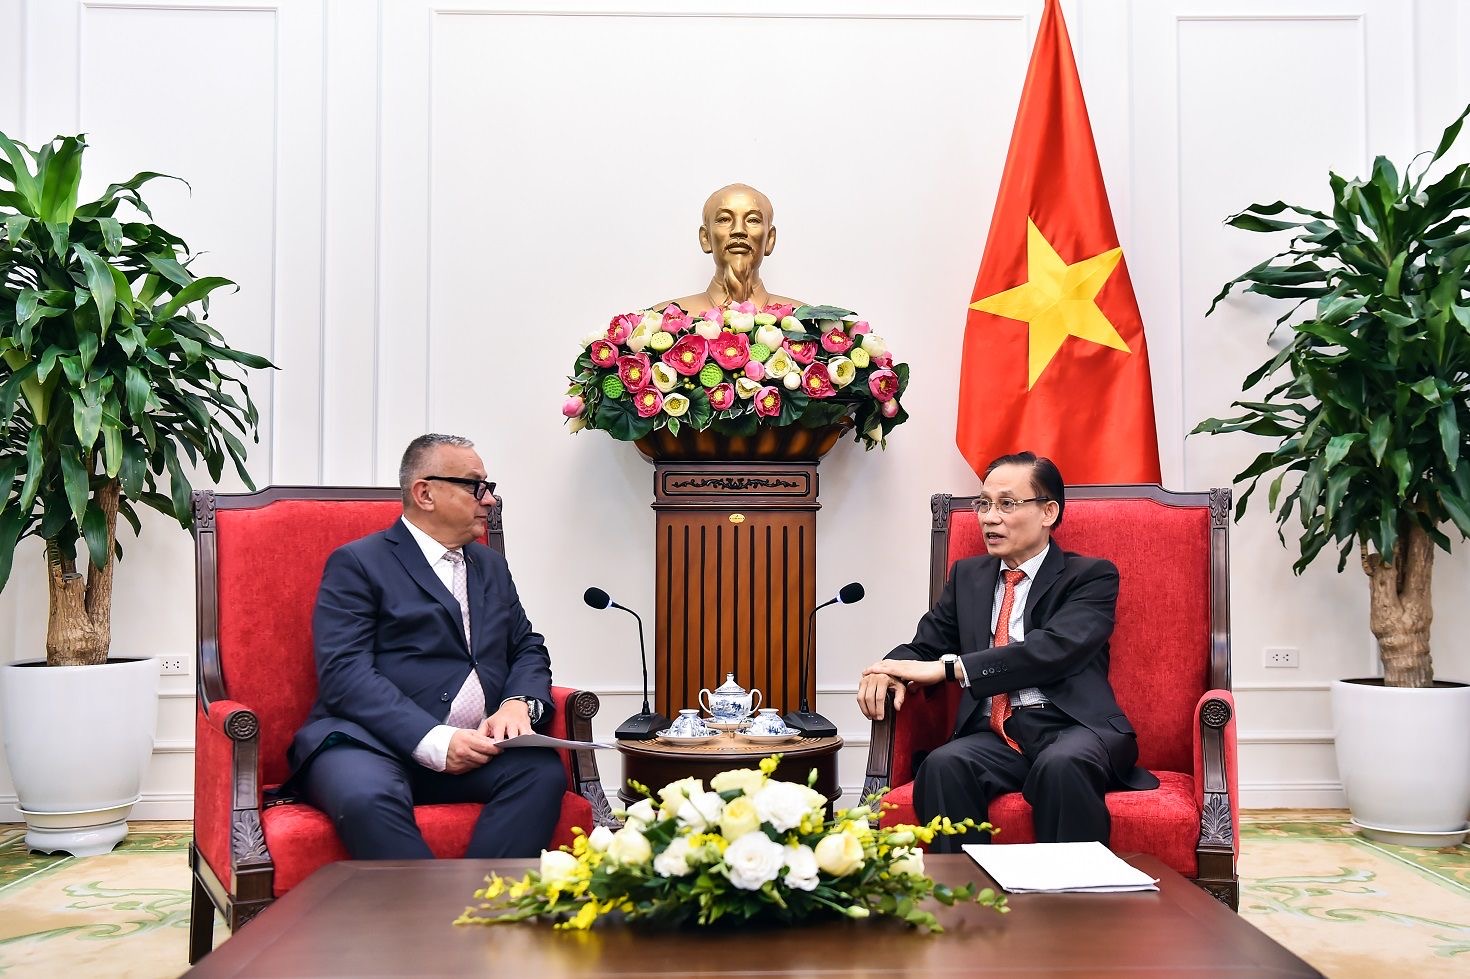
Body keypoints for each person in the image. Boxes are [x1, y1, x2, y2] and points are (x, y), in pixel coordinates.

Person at [856, 452, 1156, 852]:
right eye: (984, 504)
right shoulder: (968, 577)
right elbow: (925, 645)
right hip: (995, 736)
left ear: (1048, 512)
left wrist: (952, 669)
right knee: (943, 765)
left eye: (1006, 504)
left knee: (1061, 765)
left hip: (1073, 727)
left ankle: (1077, 892)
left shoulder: (1090, 576)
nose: (989, 518)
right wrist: (886, 669)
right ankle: (963, 891)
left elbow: (1053, 650)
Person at [286, 433, 565, 859]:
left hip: (476, 744)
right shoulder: (359, 563)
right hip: (369, 744)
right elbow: (345, 674)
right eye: (476, 486)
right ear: (425, 493)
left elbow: (526, 646)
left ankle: (483, 899)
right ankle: (430, 905)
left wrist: (518, 703)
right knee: (366, 798)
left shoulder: (491, 566)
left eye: (488, 487)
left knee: (540, 772)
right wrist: (434, 739)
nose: (489, 499)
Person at [658, 183, 804, 312]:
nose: (738, 230)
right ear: (705, 238)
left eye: (753, 220)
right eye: (724, 219)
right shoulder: (658, 319)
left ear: (770, 239)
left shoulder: (807, 322)